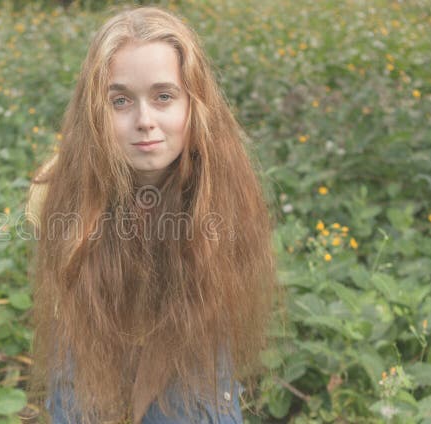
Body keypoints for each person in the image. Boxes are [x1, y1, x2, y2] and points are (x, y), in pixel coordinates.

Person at [25, 6, 279, 424]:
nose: (145, 121)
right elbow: (73, 315)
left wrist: (142, 404)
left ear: (194, 103)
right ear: (95, 111)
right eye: (120, 100)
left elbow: (182, 327)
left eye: (164, 96)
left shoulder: (221, 192)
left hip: (185, 335)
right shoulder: (54, 192)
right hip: (91, 329)